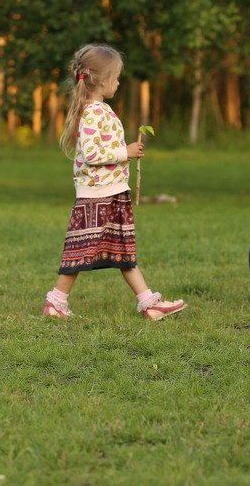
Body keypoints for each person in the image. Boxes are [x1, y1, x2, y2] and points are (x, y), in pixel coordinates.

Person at [42, 43, 186, 321]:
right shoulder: (93, 112)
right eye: (117, 77)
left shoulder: (99, 109)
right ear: (103, 80)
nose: (119, 82)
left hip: (112, 193)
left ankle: (149, 303)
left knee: (123, 250)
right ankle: (56, 302)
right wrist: (125, 152)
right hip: (97, 196)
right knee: (80, 252)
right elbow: (92, 153)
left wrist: (125, 155)